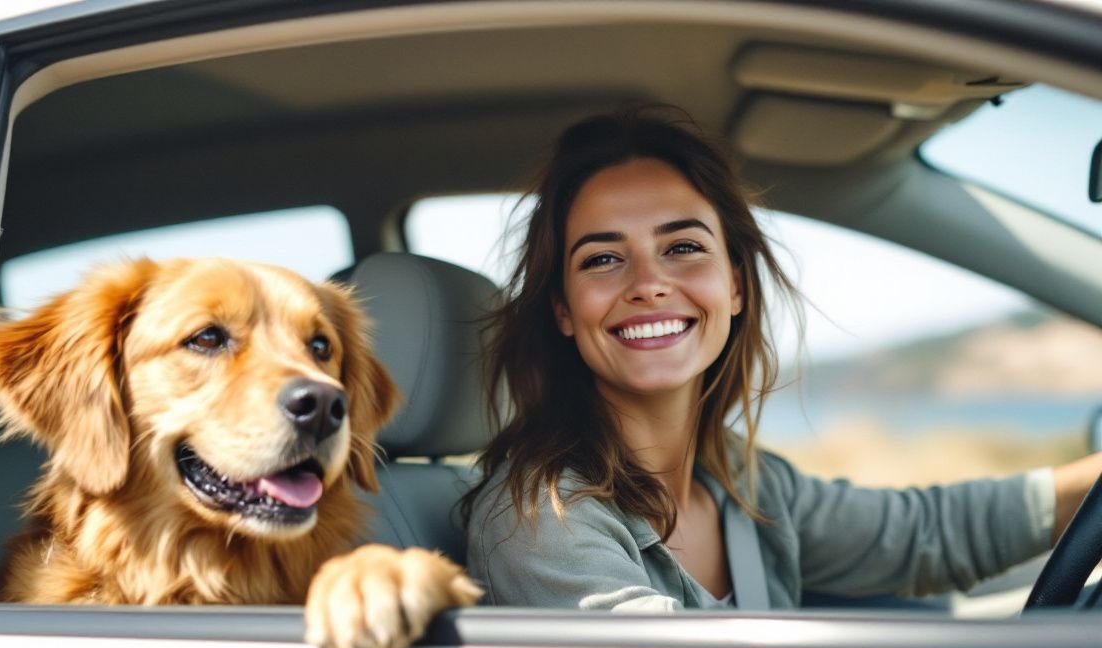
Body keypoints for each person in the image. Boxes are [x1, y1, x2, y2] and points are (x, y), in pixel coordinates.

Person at [463, 105, 1102, 611]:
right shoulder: (540, 521)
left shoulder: (744, 484)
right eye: (603, 258)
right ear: (563, 309)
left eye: (682, 247)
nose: (648, 284)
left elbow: (924, 534)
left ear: (736, 285)